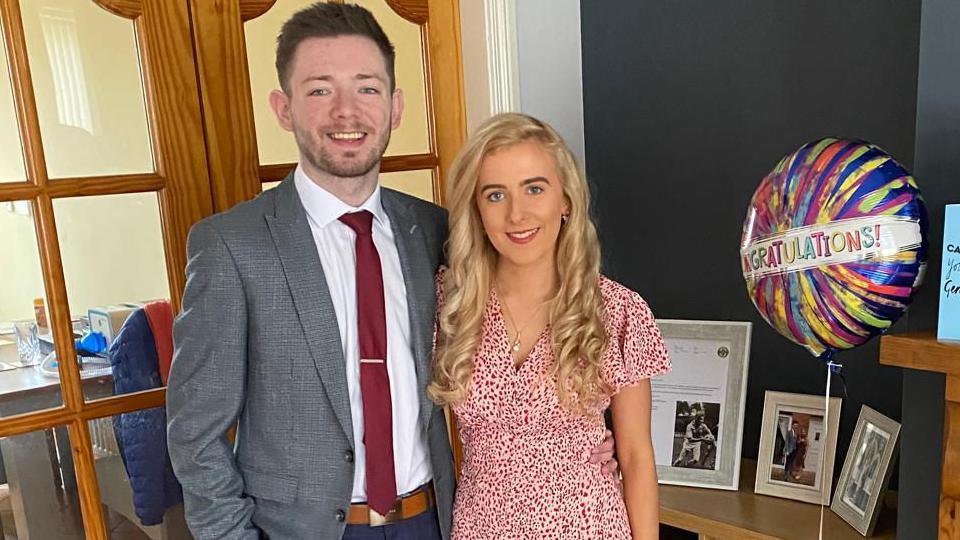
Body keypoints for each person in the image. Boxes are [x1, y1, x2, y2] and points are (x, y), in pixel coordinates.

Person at [166, 4, 615, 539]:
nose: (346, 112)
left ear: (396, 106)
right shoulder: (231, 246)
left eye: (367, 88)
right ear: (283, 109)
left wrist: (580, 447)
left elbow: (525, 322)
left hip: (433, 520)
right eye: (319, 90)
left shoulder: (436, 232)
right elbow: (195, 435)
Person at [429, 113, 671, 539]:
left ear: (566, 200)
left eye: (534, 189)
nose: (517, 214)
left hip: (587, 526)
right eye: (495, 195)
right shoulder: (448, 305)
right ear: (477, 209)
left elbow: (635, 458)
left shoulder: (617, 310)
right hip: (480, 528)